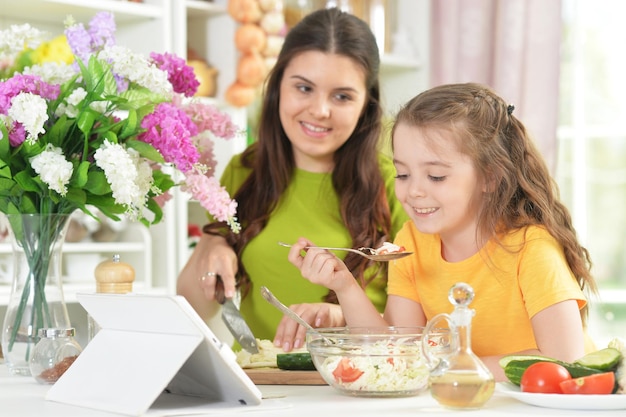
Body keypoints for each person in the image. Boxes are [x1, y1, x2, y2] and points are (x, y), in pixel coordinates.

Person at [287, 82, 598, 381]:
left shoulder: (531, 249)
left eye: (435, 176)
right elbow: (398, 350)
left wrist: (443, 365)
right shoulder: (411, 242)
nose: (414, 191)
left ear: (490, 177)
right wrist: (344, 285)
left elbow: (565, 360)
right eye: (403, 174)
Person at [177, 7, 408, 352]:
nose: (319, 110)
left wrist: (341, 316)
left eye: (342, 96)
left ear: (366, 104)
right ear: (278, 87)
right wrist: (212, 243)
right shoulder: (245, 170)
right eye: (304, 88)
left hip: (360, 383)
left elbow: (418, 325)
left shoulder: (398, 182)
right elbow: (195, 306)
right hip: (263, 385)